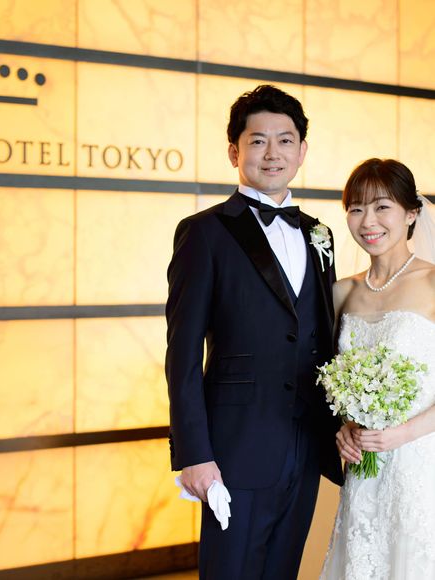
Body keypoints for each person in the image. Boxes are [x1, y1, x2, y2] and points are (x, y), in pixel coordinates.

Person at [165, 84, 343, 580]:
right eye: (258, 141)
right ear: (234, 151)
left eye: (285, 141)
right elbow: (182, 353)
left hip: (305, 445)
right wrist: (195, 455)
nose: (273, 153)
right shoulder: (204, 232)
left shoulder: (320, 233)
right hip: (234, 450)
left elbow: (324, 335)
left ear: (302, 151)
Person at [321, 158, 435, 579]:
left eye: (382, 207)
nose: (367, 221)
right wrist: (346, 425)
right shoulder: (341, 292)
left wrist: (402, 434)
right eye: (356, 209)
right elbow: (329, 380)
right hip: (365, 472)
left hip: (422, 464)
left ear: (412, 214)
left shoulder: (433, 283)